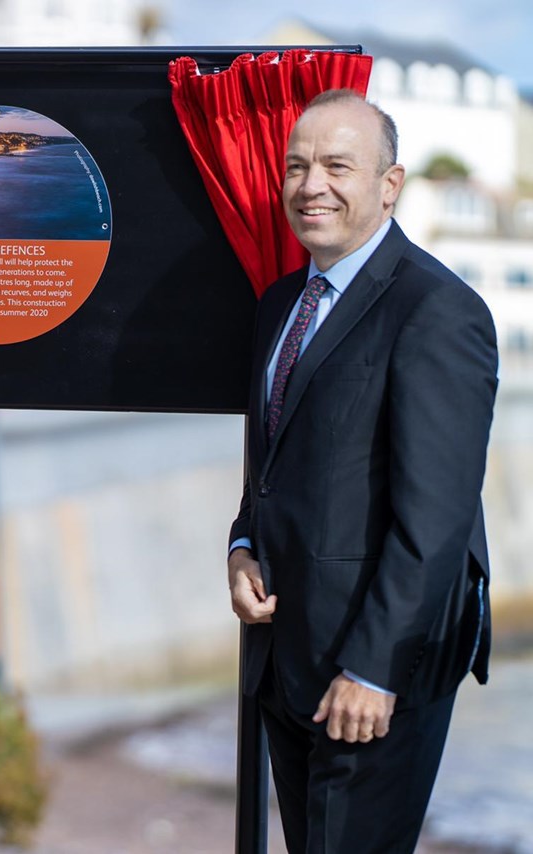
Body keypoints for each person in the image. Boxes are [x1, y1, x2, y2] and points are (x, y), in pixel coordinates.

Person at [227, 90, 497, 853]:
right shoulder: (282, 302)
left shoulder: (437, 311)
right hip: (286, 658)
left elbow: (435, 522)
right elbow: (273, 463)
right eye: (296, 166)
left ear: (390, 183)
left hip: (372, 676)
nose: (311, 185)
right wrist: (240, 545)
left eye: (337, 165)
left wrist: (374, 670)